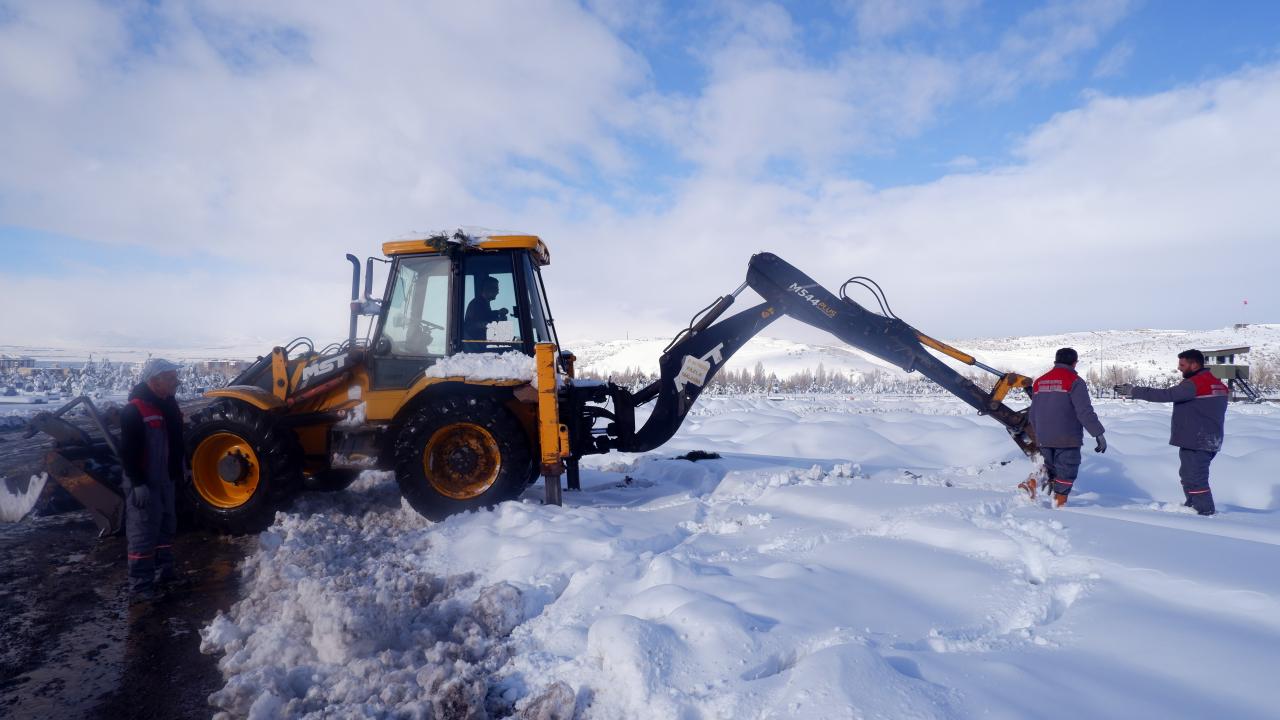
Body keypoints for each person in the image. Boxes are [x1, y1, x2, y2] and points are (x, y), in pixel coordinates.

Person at [1116, 349, 1228, 516]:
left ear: (1194, 364)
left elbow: (1166, 394)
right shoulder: (1217, 383)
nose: (1179, 368)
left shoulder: (1195, 383)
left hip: (1197, 440)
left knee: (1195, 477)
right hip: (1209, 439)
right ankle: (1193, 507)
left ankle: (1204, 513)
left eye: (1182, 364)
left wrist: (1133, 391)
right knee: (1190, 475)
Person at [120, 358, 185, 601]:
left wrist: (182, 469)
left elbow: (176, 442)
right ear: (154, 381)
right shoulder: (135, 410)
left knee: (166, 527)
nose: (176, 382)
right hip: (145, 483)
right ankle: (140, 587)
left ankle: (164, 573)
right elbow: (128, 452)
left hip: (166, 480)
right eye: (170, 378)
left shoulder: (168, 405)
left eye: (175, 377)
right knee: (143, 532)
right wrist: (137, 483)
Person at [1023, 347, 1106, 507]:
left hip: (1044, 437)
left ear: (1056, 361)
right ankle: (1059, 505)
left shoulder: (1039, 382)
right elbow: (1084, 412)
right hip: (1067, 437)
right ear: (1074, 363)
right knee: (1067, 470)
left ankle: (1032, 482)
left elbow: (1033, 413)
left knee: (1049, 468)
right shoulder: (1075, 381)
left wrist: (1039, 434)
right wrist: (1098, 434)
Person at [463, 275, 509, 343]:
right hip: (477, 345)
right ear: (487, 289)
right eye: (496, 289)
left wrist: (498, 313)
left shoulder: (482, 303)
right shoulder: (477, 303)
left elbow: (486, 316)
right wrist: (498, 322)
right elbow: (476, 324)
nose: (497, 292)